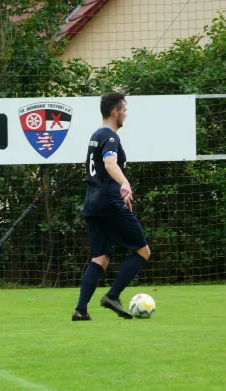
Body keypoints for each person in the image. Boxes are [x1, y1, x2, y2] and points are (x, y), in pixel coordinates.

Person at [72, 92, 151, 321]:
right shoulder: (111, 137)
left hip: (92, 203)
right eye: (124, 110)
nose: (126, 114)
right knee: (143, 251)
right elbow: (109, 163)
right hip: (109, 203)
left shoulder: (95, 135)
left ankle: (80, 310)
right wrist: (124, 183)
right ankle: (112, 296)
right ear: (115, 111)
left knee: (100, 258)